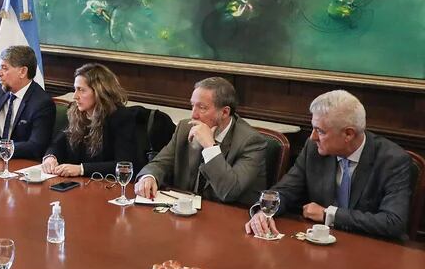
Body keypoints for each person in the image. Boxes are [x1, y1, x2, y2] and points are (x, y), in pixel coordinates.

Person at [245, 90, 412, 240]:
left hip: (373, 251)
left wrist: (329, 214)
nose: (312, 137)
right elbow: (286, 190)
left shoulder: (393, 160)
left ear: (348, 134)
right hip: (320, 245)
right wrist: (263, 212)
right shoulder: (314, 149)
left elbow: (394, 222)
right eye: (313, 129)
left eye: (321, 131)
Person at [134, 76, 266, 205]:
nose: (193, 115)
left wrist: (210, 146)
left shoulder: (251, 142)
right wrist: (149, 177)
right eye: (192, 105)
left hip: (229, 218)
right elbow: (160, 163)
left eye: (202, 108)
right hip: (186, 213)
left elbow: (230, 192)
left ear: (225, 112)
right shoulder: (185, 128)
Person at [42, 63, 143, 176]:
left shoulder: (120, 117)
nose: (75, 96)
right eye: (75, 89)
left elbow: (124, 165)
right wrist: (50, 157)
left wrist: (81, 169)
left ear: (99, 92)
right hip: (75, 184)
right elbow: (58, 143)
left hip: (105, 185)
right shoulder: (75, 112)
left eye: (81, 90)